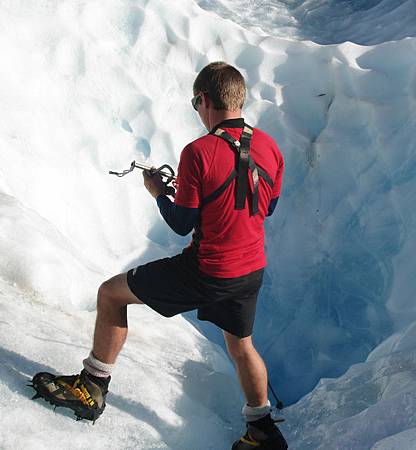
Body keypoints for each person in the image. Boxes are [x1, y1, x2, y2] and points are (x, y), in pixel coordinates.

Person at [31, 62, 287, 450]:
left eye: (195, 102)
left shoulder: (198, 152)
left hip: (206, 269)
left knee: (111, 294)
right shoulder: (270, 147)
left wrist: (159, 192)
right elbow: (262, 206)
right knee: (241, 347)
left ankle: (91, 387)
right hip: (249, 270)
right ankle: (262, 429)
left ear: (203, 100)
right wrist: (204, 194)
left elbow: (181, 223)